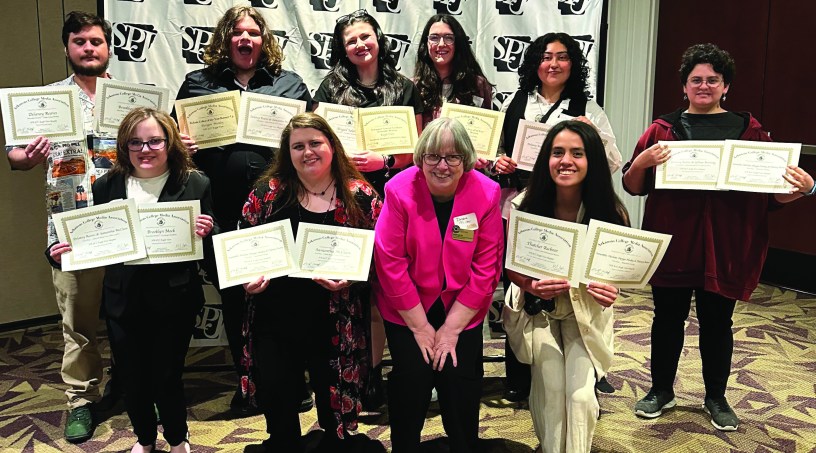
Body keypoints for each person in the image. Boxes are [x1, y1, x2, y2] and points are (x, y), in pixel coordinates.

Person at [623, 43, 815, 432]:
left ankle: (716, 397)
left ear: (726, 86)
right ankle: (661, 391)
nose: (704, 86)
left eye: (713, 79)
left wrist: (806, 189)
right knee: (666, 319)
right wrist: (642, 161)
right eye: (696, 79)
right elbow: (633, 186)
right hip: (673, 243)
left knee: (717, 322)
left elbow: (772, 197)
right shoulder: (661, 130)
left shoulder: (751, 131)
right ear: (684, 86)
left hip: (726, 245)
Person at [48, 108, 217, 453]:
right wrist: (58, 252)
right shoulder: (107, 185)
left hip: (175, 297)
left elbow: (211, 237)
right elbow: (94, 238)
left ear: (170, 142)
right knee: (132, 376)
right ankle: (144, 439)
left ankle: (177, 438)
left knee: (167, 375)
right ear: (124, 146)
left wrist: (209, 230)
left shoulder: (196, 182)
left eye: (155, 141)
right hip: (123, 297)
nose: (145, 149)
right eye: (135, 142)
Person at [173, 5, 313, 414]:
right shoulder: (196, 84)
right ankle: (248, 384)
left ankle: (294, 383)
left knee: (284, 298)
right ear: (225, 39)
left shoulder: (290, 84)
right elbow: (171, 145)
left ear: (263, 40)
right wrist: (181, 145)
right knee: (235, 303)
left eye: (252, 32)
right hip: (222, 215)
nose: (245, 38)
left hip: (280, 212)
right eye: (237, 32)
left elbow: (311, 143)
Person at [240, 113, 383, 453]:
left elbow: (381, 254)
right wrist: (247, 278)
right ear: (286, 152)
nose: (308, 152)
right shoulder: (267, 194)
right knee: (278, 392)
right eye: (298, 146)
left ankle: (335, 443)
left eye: (315, 143)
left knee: (333, 397)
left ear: (332, 145)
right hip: (276, 313)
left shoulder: (360, 196)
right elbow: (244, 245)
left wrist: (353, 278)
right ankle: (284, 442)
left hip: (334, 315)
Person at [492, 32, 623, 403]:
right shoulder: (516, 102)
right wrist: (499, 161)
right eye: (546, 56)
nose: (553, 64)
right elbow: (496, 150)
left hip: (572, 210)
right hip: (525, 204)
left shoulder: (589, 108)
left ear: (573, 64)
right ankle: (520, 373)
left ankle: (587, 367)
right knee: (524, 283)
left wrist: (594, 135)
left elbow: (613, 162)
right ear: (535, 62)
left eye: (562, 57)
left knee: (574, 287)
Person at [5, 11, 113, 443]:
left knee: (134, 316)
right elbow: (16, 157)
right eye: (79, 41)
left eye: (96, 41)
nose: (89, 48)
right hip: (71, 229)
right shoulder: (46, 99)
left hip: (128, 225)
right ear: (67, 47)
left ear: (108, 47)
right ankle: (81, 399)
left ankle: (138, 386)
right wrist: (27, 157)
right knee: (78, 321)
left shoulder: (130, 98)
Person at [313, 9, 423, 408]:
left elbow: (418, 150)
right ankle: (350, 373)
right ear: (342, 49)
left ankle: (375, 375)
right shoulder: (330, 87)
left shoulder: (404, 88)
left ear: (378, 38)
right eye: (351, 41)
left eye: (365, 36)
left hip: (393, 196)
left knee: (381, 289)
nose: (360, 45)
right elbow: (315, 143)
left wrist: (385, 161)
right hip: (343, 197)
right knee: (350, 288)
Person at [373, 117, 503, 452]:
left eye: (453, 157)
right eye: (433, 156)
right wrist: (420, 327)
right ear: (421, 157)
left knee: (459, 379)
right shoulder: (399, 190)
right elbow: (390, 262)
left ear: (466, 159)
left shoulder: (486, 192)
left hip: (462, 306)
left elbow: (486, 267)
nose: (442, 166)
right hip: (408, 306)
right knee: (412, 378)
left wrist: (452, 329)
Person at [502, 121, 628, 453]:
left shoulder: (610, 212)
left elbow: (616, 275)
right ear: (546, 158)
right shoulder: (523, 206)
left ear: (592, 160)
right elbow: (511, 268)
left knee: (581, 395)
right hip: (538, 311)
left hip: (584, 311)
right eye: (557, 152)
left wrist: (612, 290)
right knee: (553, 389)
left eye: (577, 153)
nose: (566, 161)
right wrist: (531, 284)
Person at [413, 14, 494, 128]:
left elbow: (487, 130)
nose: (441, 44)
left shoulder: (477, 85)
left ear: (458, 43)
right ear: (425, 44)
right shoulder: (414, 87)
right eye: (434, 38)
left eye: (448, 38)